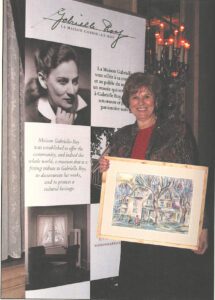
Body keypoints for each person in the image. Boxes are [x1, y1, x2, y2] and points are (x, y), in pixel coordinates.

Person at [99, 72, 209, 299]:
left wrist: (202, 226)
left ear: (156, 100)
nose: (141, 103)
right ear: (127, 102)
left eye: (147, 96)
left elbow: (195, 180)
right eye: (135, 97)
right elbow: (106, 184)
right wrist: (103, 169)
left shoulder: (177, 132)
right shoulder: (120, 137)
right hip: (132, 228)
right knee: (135, 286)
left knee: (166, 286)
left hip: (167, 229)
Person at [25, 41, 90, 125]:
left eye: (75, 81)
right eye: (62, 82)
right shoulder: (29, 116)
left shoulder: (90, 100)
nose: (72, 91)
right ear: (43, 80)